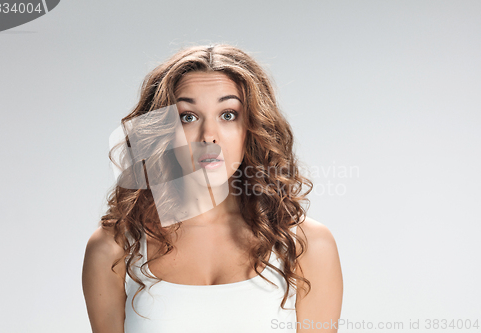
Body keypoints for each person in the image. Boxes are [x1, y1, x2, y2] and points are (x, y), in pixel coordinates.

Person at [82, 44, 343, 333]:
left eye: (228, 115)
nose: (209, 136)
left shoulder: (307, 246)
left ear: (253, 127)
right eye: (188, 116)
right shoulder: (114, 247)